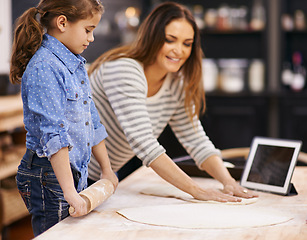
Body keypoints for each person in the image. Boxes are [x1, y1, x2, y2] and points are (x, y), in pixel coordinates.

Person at [87, 2, 258, 203]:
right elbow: (144, 144)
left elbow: (197, 141)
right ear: (152, 38)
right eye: (170, 40)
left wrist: (229, 182)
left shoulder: (177, 84)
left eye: (187, 43)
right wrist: (198, 191)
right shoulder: (126, 70)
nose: (179, 50)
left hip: (103, 176)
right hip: (69, 172)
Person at [10, 0, 118, 236]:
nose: (91, 38)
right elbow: (54, 135)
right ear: (62, 23)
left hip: (70, 171)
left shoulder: (74, 63)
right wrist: (68, 191)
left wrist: (107, 170)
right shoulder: (44, 67)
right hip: (48, 176)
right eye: (88, 29)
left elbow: (92, 119)